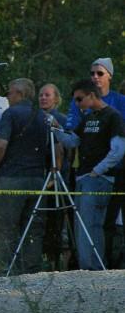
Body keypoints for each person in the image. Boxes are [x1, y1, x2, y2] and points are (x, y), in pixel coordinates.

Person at [52, 79, 125, 270]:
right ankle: (91, 267)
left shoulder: (113, 116)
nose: (77, 104)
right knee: (83, 224)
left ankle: (92, 268)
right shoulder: (88, 117)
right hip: (83, 177)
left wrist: (97, 171)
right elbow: (72, 142)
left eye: (79, 99)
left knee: (90, 224)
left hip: (99, 178)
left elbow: (118, 149)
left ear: (92, 95)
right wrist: (56, 129)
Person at [0, 78, 50, 275]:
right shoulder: (44, 116)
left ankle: (4, 269)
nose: (8, 96)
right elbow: (57, 148)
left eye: (10, 93)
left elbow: (0, 145)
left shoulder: (10, 114)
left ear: (20, 94)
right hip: (38, 179)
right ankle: (31, 271)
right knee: (33, 228)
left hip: (12, 177)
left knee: (5, 226)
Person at [38, 83, 70, 269]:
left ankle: (58, 260)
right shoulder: (36, 119)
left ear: (56, 99)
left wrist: (58, 170)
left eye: (47, 95)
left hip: (58, 177)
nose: (43, 98)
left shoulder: (62, 119)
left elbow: (66, 147)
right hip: (39, 173)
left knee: (57, 220)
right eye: (41, 94)